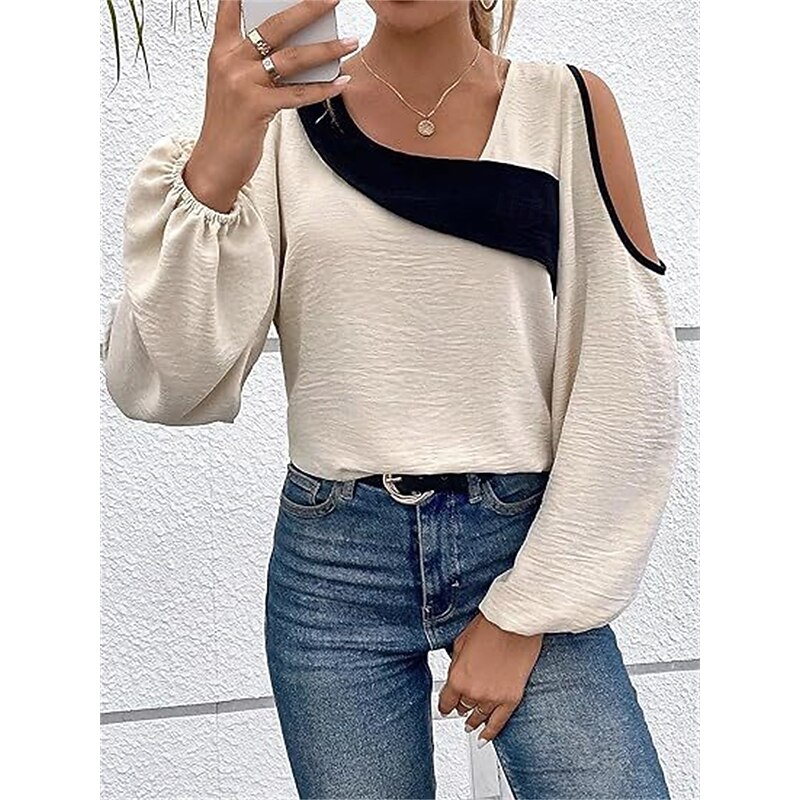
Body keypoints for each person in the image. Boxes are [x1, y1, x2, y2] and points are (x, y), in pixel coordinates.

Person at [102, 0, 683, 797]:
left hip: (522, 543)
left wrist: (525, 612)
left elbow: (628, 378)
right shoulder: (281, 124)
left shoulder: (566, 107)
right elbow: (163, 381)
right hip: (333, 570)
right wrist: (217, 160)